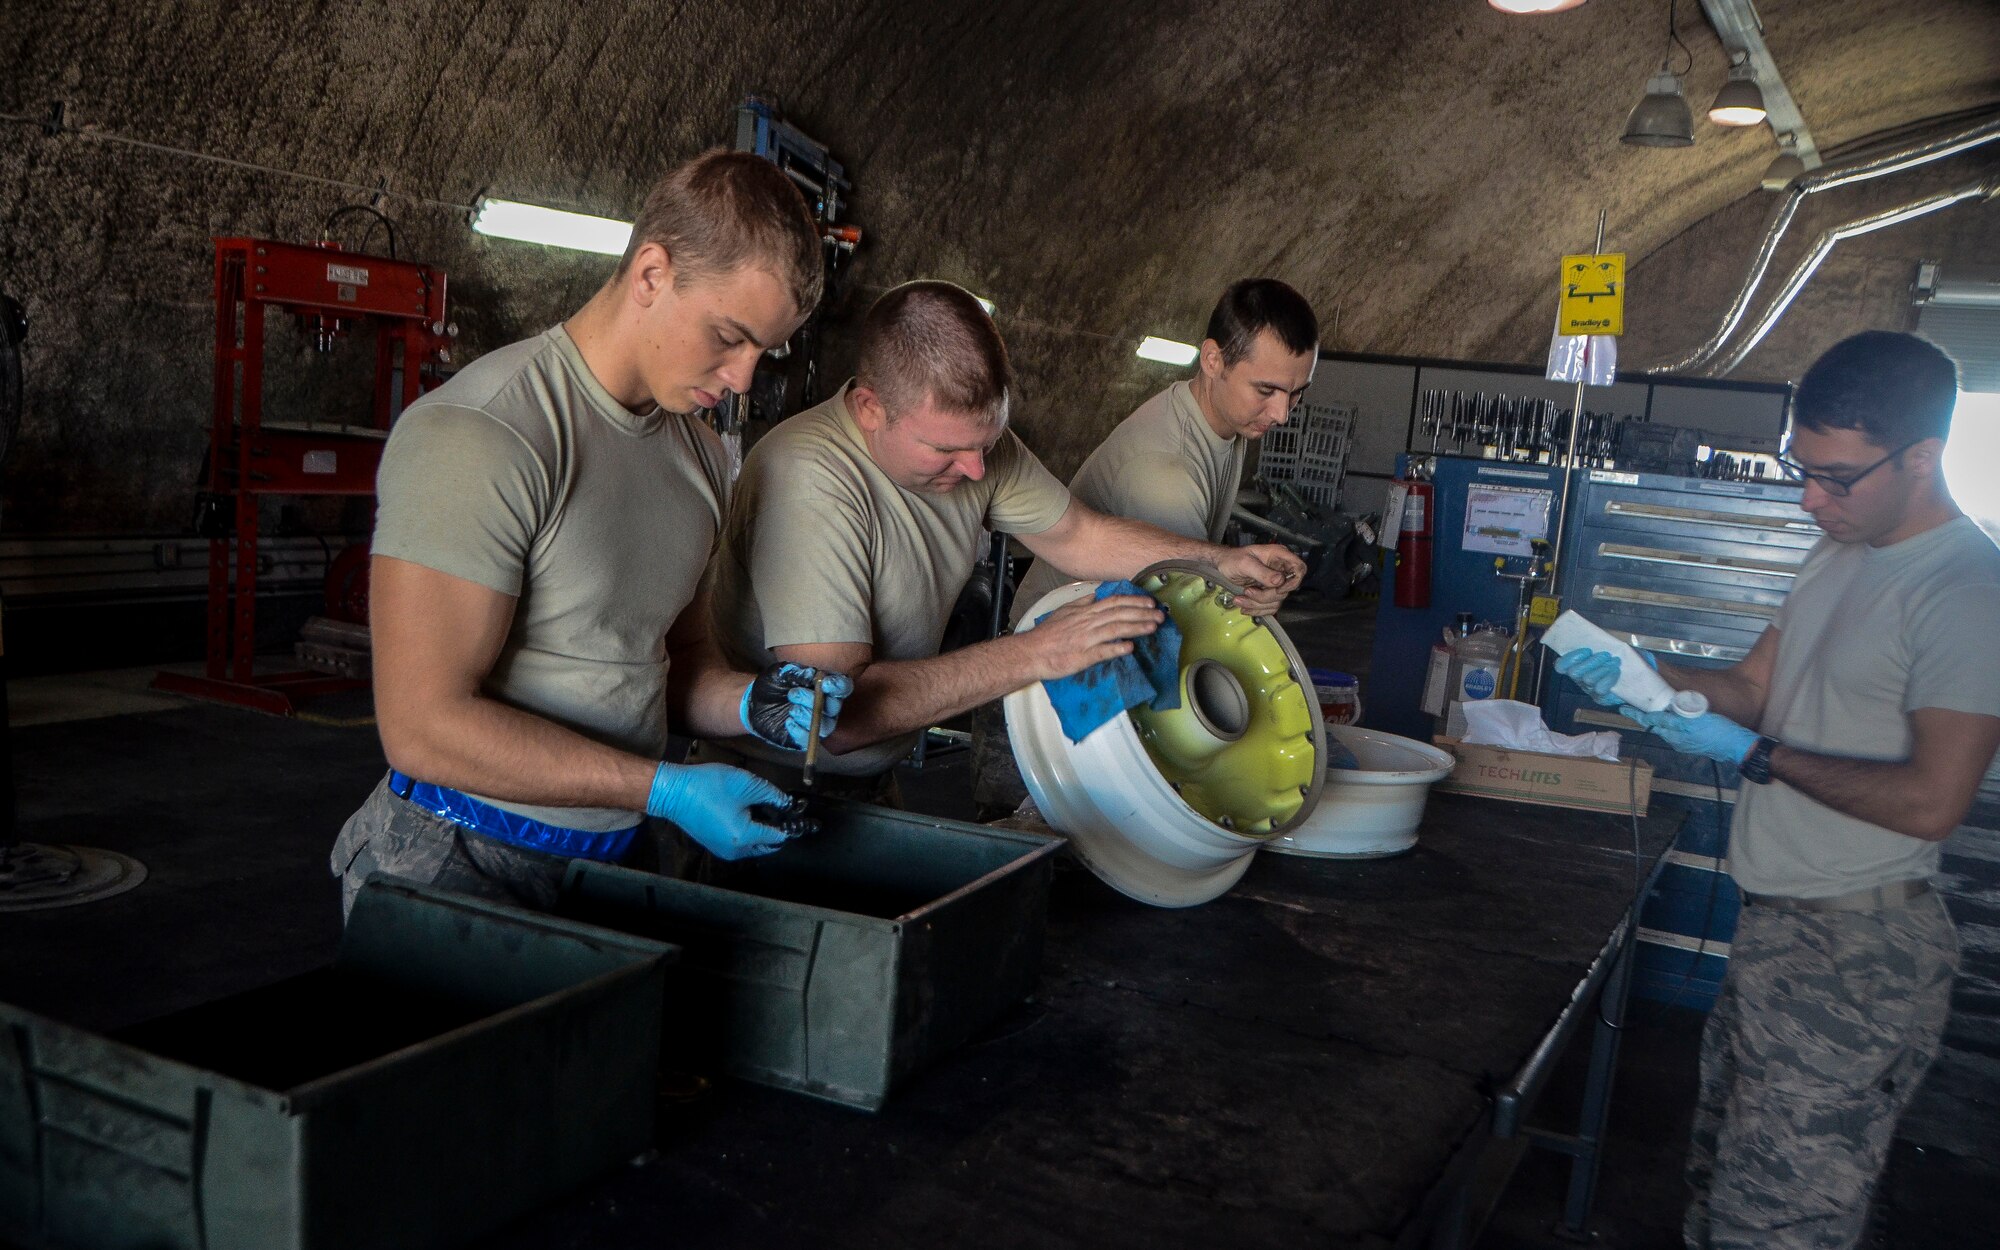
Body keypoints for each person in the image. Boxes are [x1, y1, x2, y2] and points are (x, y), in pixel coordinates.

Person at [1555, 331, 2000, 1250]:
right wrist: (1650, 677)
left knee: (1781, 1224)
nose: (1811, 499)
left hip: (1858, 949)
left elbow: (1932, 801)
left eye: (1837, 478)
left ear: (1922, 457)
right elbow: (1755, 688)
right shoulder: (1837, 553)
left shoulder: (1968, 589)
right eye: (1804, 468)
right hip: (1776, 929)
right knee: (1721, 1182)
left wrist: (1756, 755)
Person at [331, 151, 854, 918]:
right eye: (728, 336)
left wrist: (754, 705)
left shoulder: (703, 458)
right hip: (455, 861)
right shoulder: (486, 435)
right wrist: (663, 788)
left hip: (615, 856)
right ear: (651, 275)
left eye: (762, 352)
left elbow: (667, 662)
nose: (743, 379)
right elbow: (423, 727)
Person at [701, 279, 1307, 795]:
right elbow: (836, 720)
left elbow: (1078, 533)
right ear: (868, 408)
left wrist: (1220, 562)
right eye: (947, 450)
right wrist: (1037, 653)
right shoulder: (811, 480)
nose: (974, 471)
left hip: (866, 779)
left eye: (986, 445)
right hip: (767, 783)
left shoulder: (974, 448)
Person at [978, 278, 1317, 810]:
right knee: (1022, 852)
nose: (1282, 414)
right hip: (1045, 692)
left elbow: (1195, 581)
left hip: (1103, 662)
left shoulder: (1218, 422)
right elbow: (1189, 619)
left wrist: (1252, 583)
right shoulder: (1166, 469)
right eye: (1267, 390)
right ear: (1212, 360)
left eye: (1296, 393)